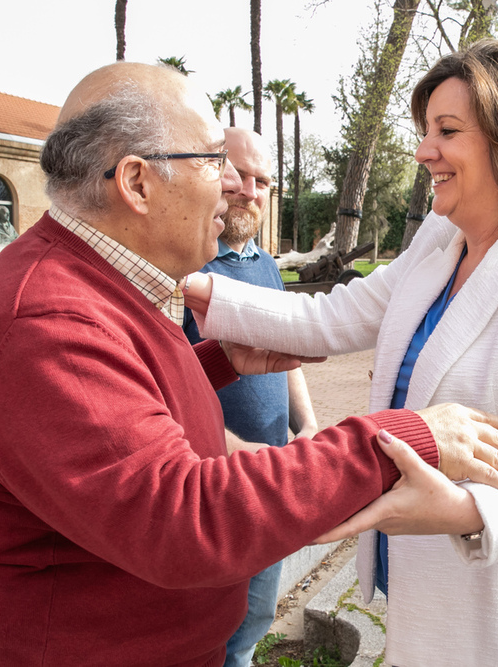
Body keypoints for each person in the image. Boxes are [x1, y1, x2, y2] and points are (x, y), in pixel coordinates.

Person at [0, 62, 498, 667]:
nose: (233, 185)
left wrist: (215, 363)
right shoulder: (46, 324)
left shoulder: (88, 289)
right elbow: (183, 521)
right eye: (212, 162)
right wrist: (404, 438)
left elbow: (105, 418)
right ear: (138, 182)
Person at [183, 39, 498, 666]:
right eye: (427, 130)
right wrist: (186, 285)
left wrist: (463, 509)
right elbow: (330, 317)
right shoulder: (439, 239)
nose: (425, 150)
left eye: (447, 131)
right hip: (430, 609)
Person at [181, 127, 319, 667]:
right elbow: (166, 385)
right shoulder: (185, 263)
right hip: (212, 485)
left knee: (256, 616)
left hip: (269, 477)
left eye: (263, 180)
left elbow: (287, 358)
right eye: (237, 174)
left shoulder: (265, 266)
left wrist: (306, 427)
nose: (249, 190)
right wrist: (232, 454)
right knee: (210, 627)